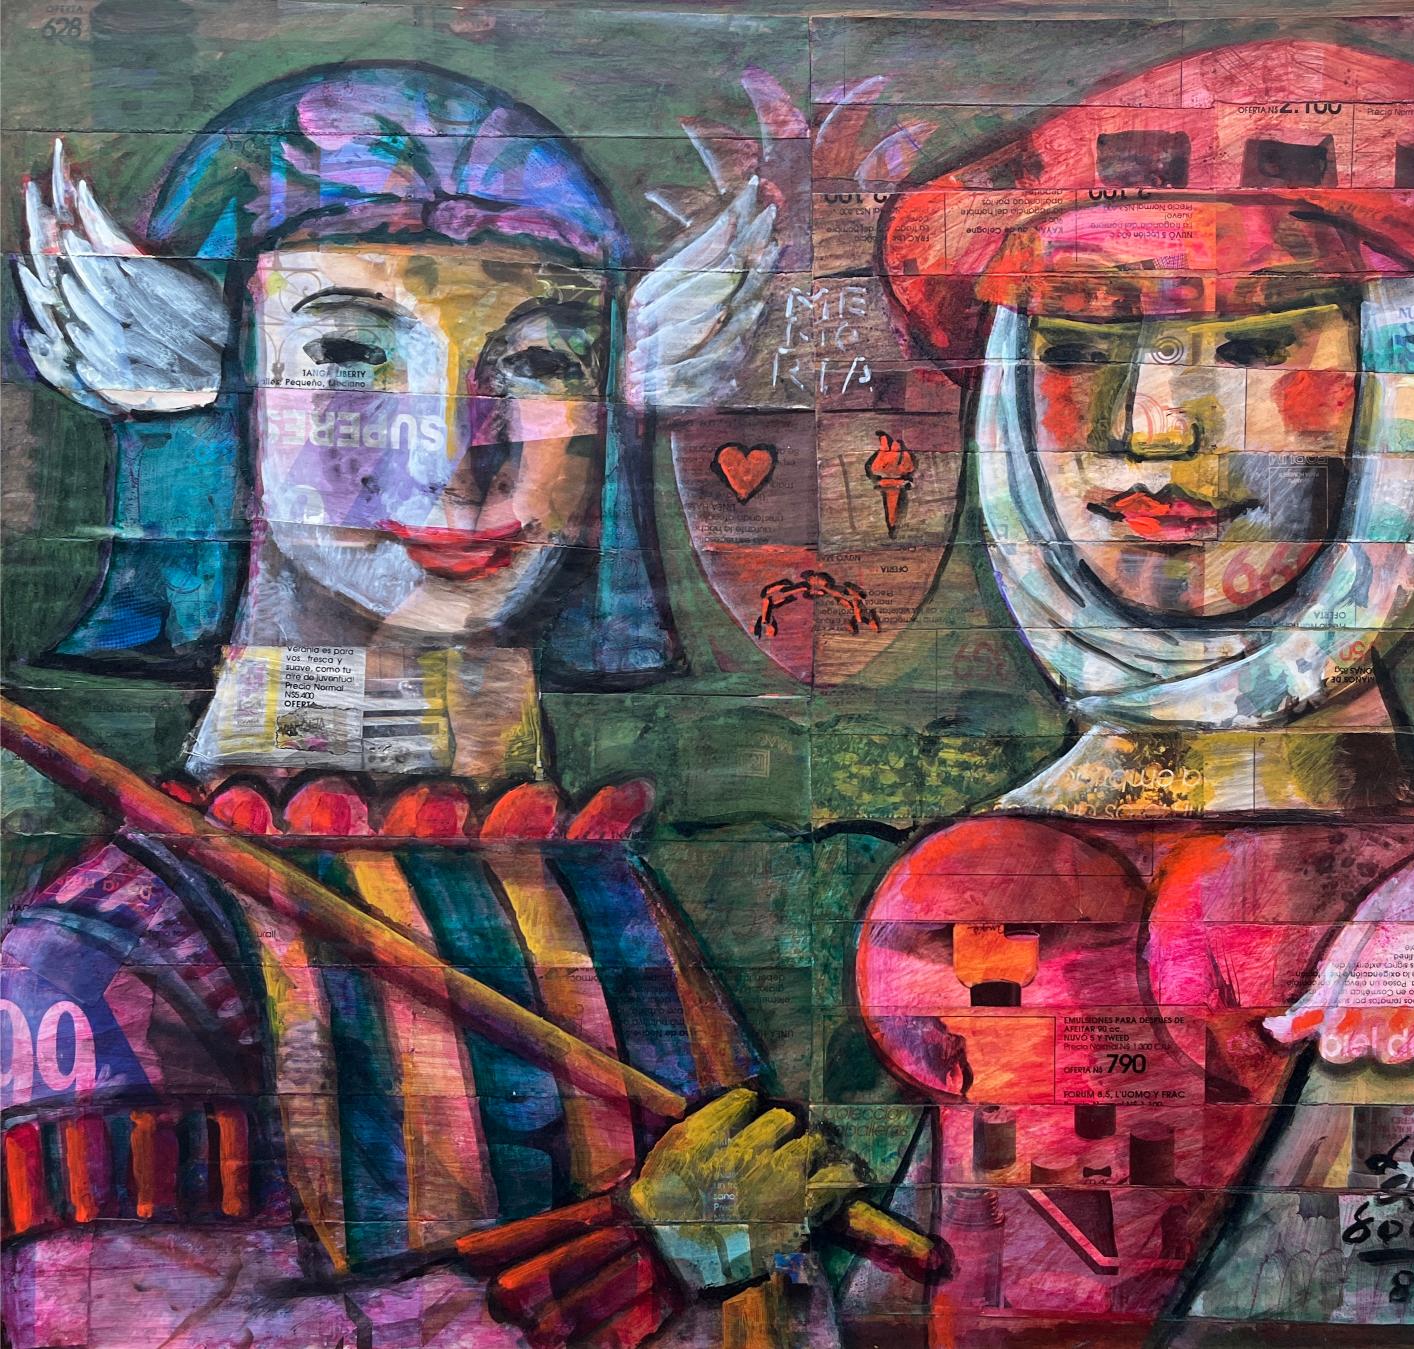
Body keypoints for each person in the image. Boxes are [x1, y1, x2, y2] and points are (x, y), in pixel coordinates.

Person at [2, 62, 865, 1347]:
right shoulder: (108, 946)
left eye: (542, 357)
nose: (460, 449)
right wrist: (643, 1256)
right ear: (218, 393)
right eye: (348, 351)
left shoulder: (605, 895)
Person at [850, 39, 1414, 1344]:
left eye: (1252, 344)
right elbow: (925, 1293)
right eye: (1078, 345)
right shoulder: (1017, 850)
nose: (1151, 425)